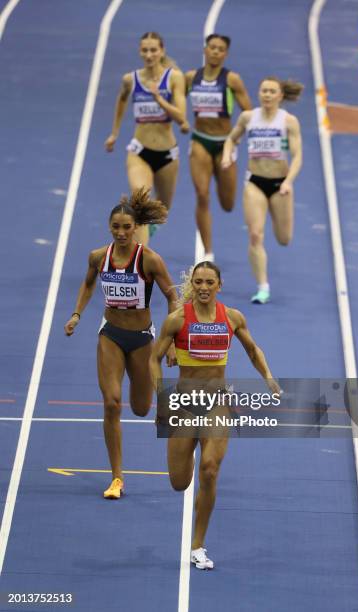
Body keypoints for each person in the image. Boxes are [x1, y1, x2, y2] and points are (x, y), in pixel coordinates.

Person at [149, 261, 280, 569]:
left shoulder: (232, 318)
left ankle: (198, 545)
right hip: (184, 404)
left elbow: (252, 349)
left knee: (209, 470)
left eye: (210, 282)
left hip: (217, 403)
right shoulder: (176, 320)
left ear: (219, 285)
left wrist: (268, 377)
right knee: (180, 483)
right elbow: (153, 360)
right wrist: (161, 399)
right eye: (199, 282)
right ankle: (191, 446)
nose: (204, 287)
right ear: (192, 285)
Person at [64, 188, 178, 499]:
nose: (122, 232)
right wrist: (76, 314)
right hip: (111, 334)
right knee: (112, 403)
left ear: (136, 228)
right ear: (109, 227)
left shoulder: (149, 260)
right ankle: (116, 477)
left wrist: (170, 341)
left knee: (140, 408)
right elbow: (88, 284)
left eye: (127, 227)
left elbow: (172, 296)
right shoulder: (99, 257)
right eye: (116, 226)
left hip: (141, 338)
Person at [222, 76, 303, 304]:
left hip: (280, 185)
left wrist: (288, 181)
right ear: (259, 94)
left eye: (271, 91)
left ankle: (264, 282)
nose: (267, 94)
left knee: (283, 238)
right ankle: (262, 287)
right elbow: (231, 139)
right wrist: (228, 155)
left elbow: (297, 156)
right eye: (263, 90)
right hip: (254, 182)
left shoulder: (288, 121)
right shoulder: (248, 117)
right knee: (255, 235)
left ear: (280, 96)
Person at [105, 32, 187, 245]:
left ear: (162, 51)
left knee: (161, 211)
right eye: (145, 50)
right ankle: (139, 261)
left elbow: (181, 117)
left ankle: (148, 229)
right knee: (140, 203)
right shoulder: (130, 79)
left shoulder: (175, 78)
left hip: (168, 154)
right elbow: (122, 99)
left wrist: (159, 99)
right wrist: (114, 132)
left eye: (153, 50)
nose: (149, 55)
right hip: (139, 151)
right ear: (140, 52)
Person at [185, 34, 252, 261]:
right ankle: (208, 252)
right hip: (200, 140)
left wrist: (238, 136)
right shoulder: (191, 77)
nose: (215, 52)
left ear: (226, 54)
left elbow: (249, 112)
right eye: (212, 47)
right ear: (205, 50)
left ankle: (225, 193)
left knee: (227, 203)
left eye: (220, 49)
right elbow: (174, 98)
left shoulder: (232, 80)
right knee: (202, 195)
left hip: (225, 144)